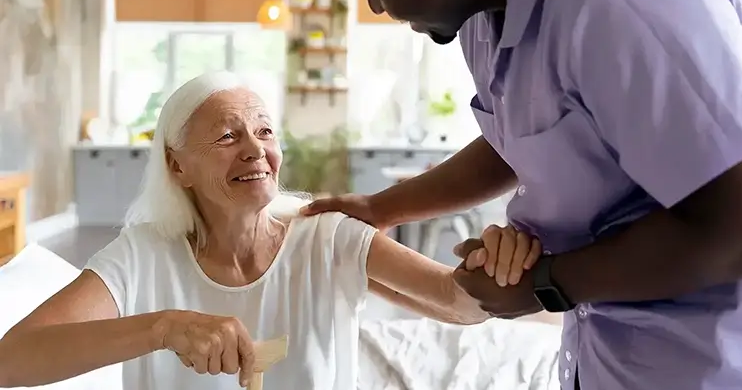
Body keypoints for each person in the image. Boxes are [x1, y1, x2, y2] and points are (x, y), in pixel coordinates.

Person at [305, 0, 742, 388]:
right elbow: (517, 137)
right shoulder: (483, 11)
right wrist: (384, 207)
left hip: (714, 363)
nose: (378, 8)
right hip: (606, 354)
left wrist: (543, 284)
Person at [0, 72, 538, 390]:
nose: (256, 149)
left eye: (264, 132)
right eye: (228, 136)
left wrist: (491, 270)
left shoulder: (327, 236)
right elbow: (12, 358)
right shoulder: (143, 254)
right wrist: (163, 328)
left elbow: (456, 304)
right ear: (177, 165)